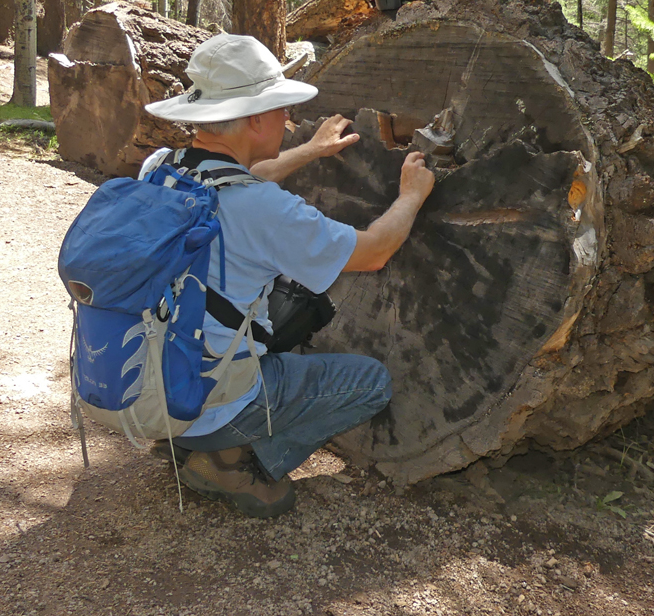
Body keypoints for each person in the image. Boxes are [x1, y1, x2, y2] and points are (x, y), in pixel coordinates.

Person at [138, 33, 434, 518]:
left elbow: (240, 177)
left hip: (148, 375)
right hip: (208, 394)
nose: (286, 119)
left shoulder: (161, 168)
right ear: (255, 118)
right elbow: (375, 250)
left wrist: (311, 152)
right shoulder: (264, 209)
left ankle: (184, 433)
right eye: (279, 109)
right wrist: (412, 195)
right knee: (372, 382)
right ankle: (230, 460)